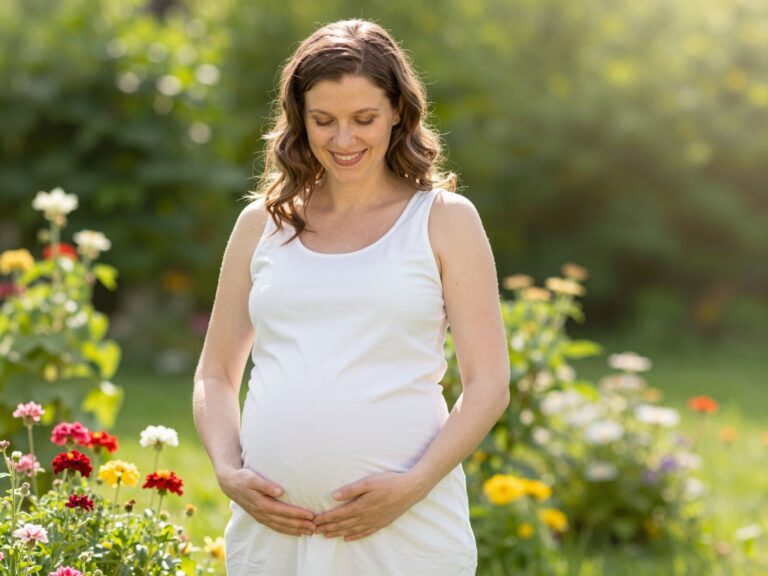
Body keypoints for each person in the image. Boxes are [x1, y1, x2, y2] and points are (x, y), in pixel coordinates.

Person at [192, 18, 510, 576]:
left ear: (397, 112)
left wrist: (413, 485)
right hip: (272, 537)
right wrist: (227, 471)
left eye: (364, 119)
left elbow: (488, 385)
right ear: (299, 118)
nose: (343, 140)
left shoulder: (443, 220)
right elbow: (215, 374)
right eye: (324, 120)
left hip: (404, 533)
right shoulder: (261, 225)